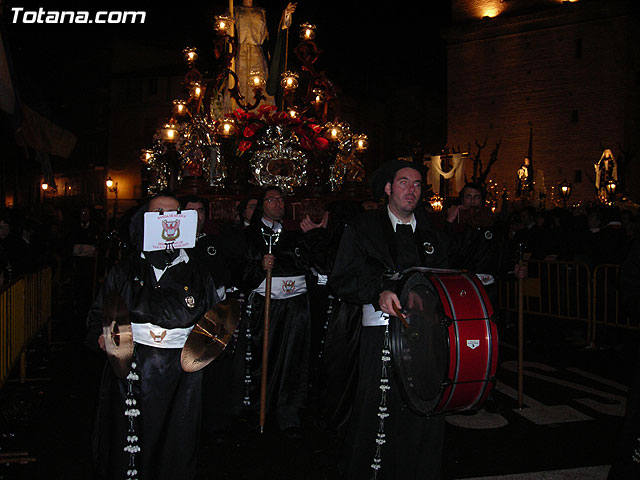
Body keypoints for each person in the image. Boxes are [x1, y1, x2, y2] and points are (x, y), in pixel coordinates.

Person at [329, 159, 449, 479]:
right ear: (388, 188)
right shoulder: (363, 228)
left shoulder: (431, 233)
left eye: (418, 185)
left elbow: (443, 280)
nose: (412, 190)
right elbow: (342, 278)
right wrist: (377, 293)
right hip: (380, 335)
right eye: (404, 183)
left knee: (423, 406)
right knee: (379, 407)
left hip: (426, 338)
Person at [86, 192, 219, 480]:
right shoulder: (126, 268)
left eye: (174, 213)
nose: (167, 220)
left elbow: (213, 323)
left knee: (176, 438)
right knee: (129, 437)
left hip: (181, 372)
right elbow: (100, 312)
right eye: (159, 213)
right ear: (145, 220)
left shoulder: (198, 271)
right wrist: (101, 335)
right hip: (133, 367)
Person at [234, 186, 325, 437]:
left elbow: (312, 264)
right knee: (266, 358)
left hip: (295, 306)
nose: (278, 204)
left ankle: (289, 414)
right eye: (272, 200)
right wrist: (259, 266)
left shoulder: (294, 234)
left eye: (281, 200)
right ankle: (259, 411)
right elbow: (238, 270)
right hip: (266, 307)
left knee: (294, 360)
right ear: (262, 204)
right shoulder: (249, 235)